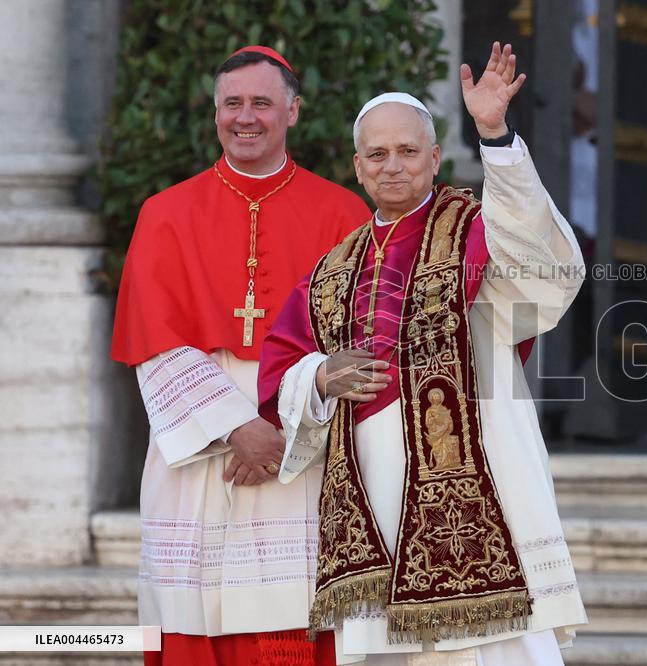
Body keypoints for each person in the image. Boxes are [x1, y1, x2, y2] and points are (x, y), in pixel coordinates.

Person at [257, 42, 588, 665]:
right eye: (377, 154)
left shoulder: (477, 229)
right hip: (374, 499)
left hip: (482, 484)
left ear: (435, 158)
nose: (392, 167)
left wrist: (495, 136)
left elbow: (544, 264)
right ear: (356, 166)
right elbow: (280, 374)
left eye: (408, 151)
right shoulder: (332, 269)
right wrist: (322, 376)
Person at [111, 45, 370, 665]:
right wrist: (235, 429)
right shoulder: (165, 213)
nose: (245, 116)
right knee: (194, 611)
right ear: (215, 113)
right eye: (232, 103)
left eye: (261, 102)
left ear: (293, 111)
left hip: (303, 435)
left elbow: (361, 345)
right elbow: (155, 340)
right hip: (199, 440)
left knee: (291, 622)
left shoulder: (344, 213)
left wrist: (280, 430)